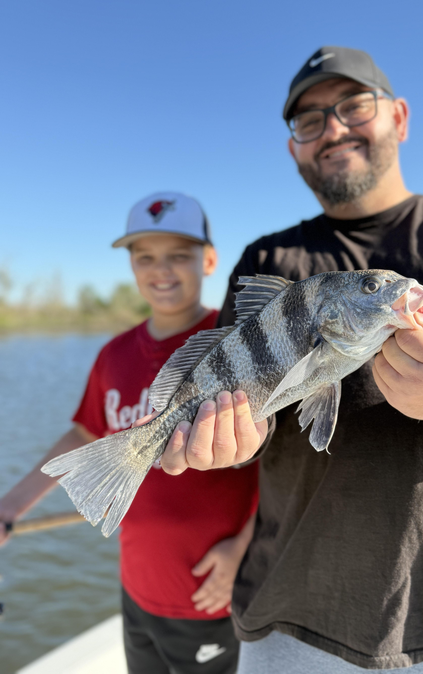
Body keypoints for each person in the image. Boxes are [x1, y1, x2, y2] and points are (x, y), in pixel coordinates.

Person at [158, 48, 423, 672]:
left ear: (400, 116)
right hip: (290, 626)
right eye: (308, 120)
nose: (332, 128)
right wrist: (229, 440)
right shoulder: (266, 261)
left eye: (353, 105)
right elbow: (248, 414)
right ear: (294, 148)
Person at [0, 192, 259, 674]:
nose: (161, 270)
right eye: (145, 257)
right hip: (138, 587)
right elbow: (83, 435)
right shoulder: (113, 354)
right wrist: (9, 506)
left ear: (208, 260)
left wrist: (243, 544)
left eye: (179, 255)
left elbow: (282, 464)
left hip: (213, 593)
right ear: (132, 266)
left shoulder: (235, 342)